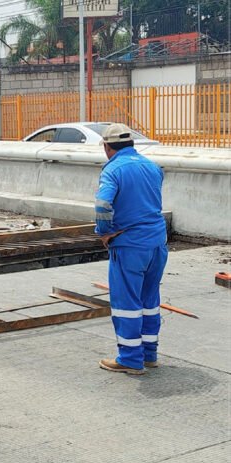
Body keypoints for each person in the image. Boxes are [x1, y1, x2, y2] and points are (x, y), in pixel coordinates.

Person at [95, 123, 168, 375]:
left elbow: (103, 204)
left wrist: (104, 232)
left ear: (107, 147)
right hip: (157, 242)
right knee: (150, 300)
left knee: (127, 303)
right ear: (131, 144)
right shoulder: (152, 166)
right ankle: (150, 355)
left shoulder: (113, 170)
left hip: (129, 245)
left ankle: (130, 359)